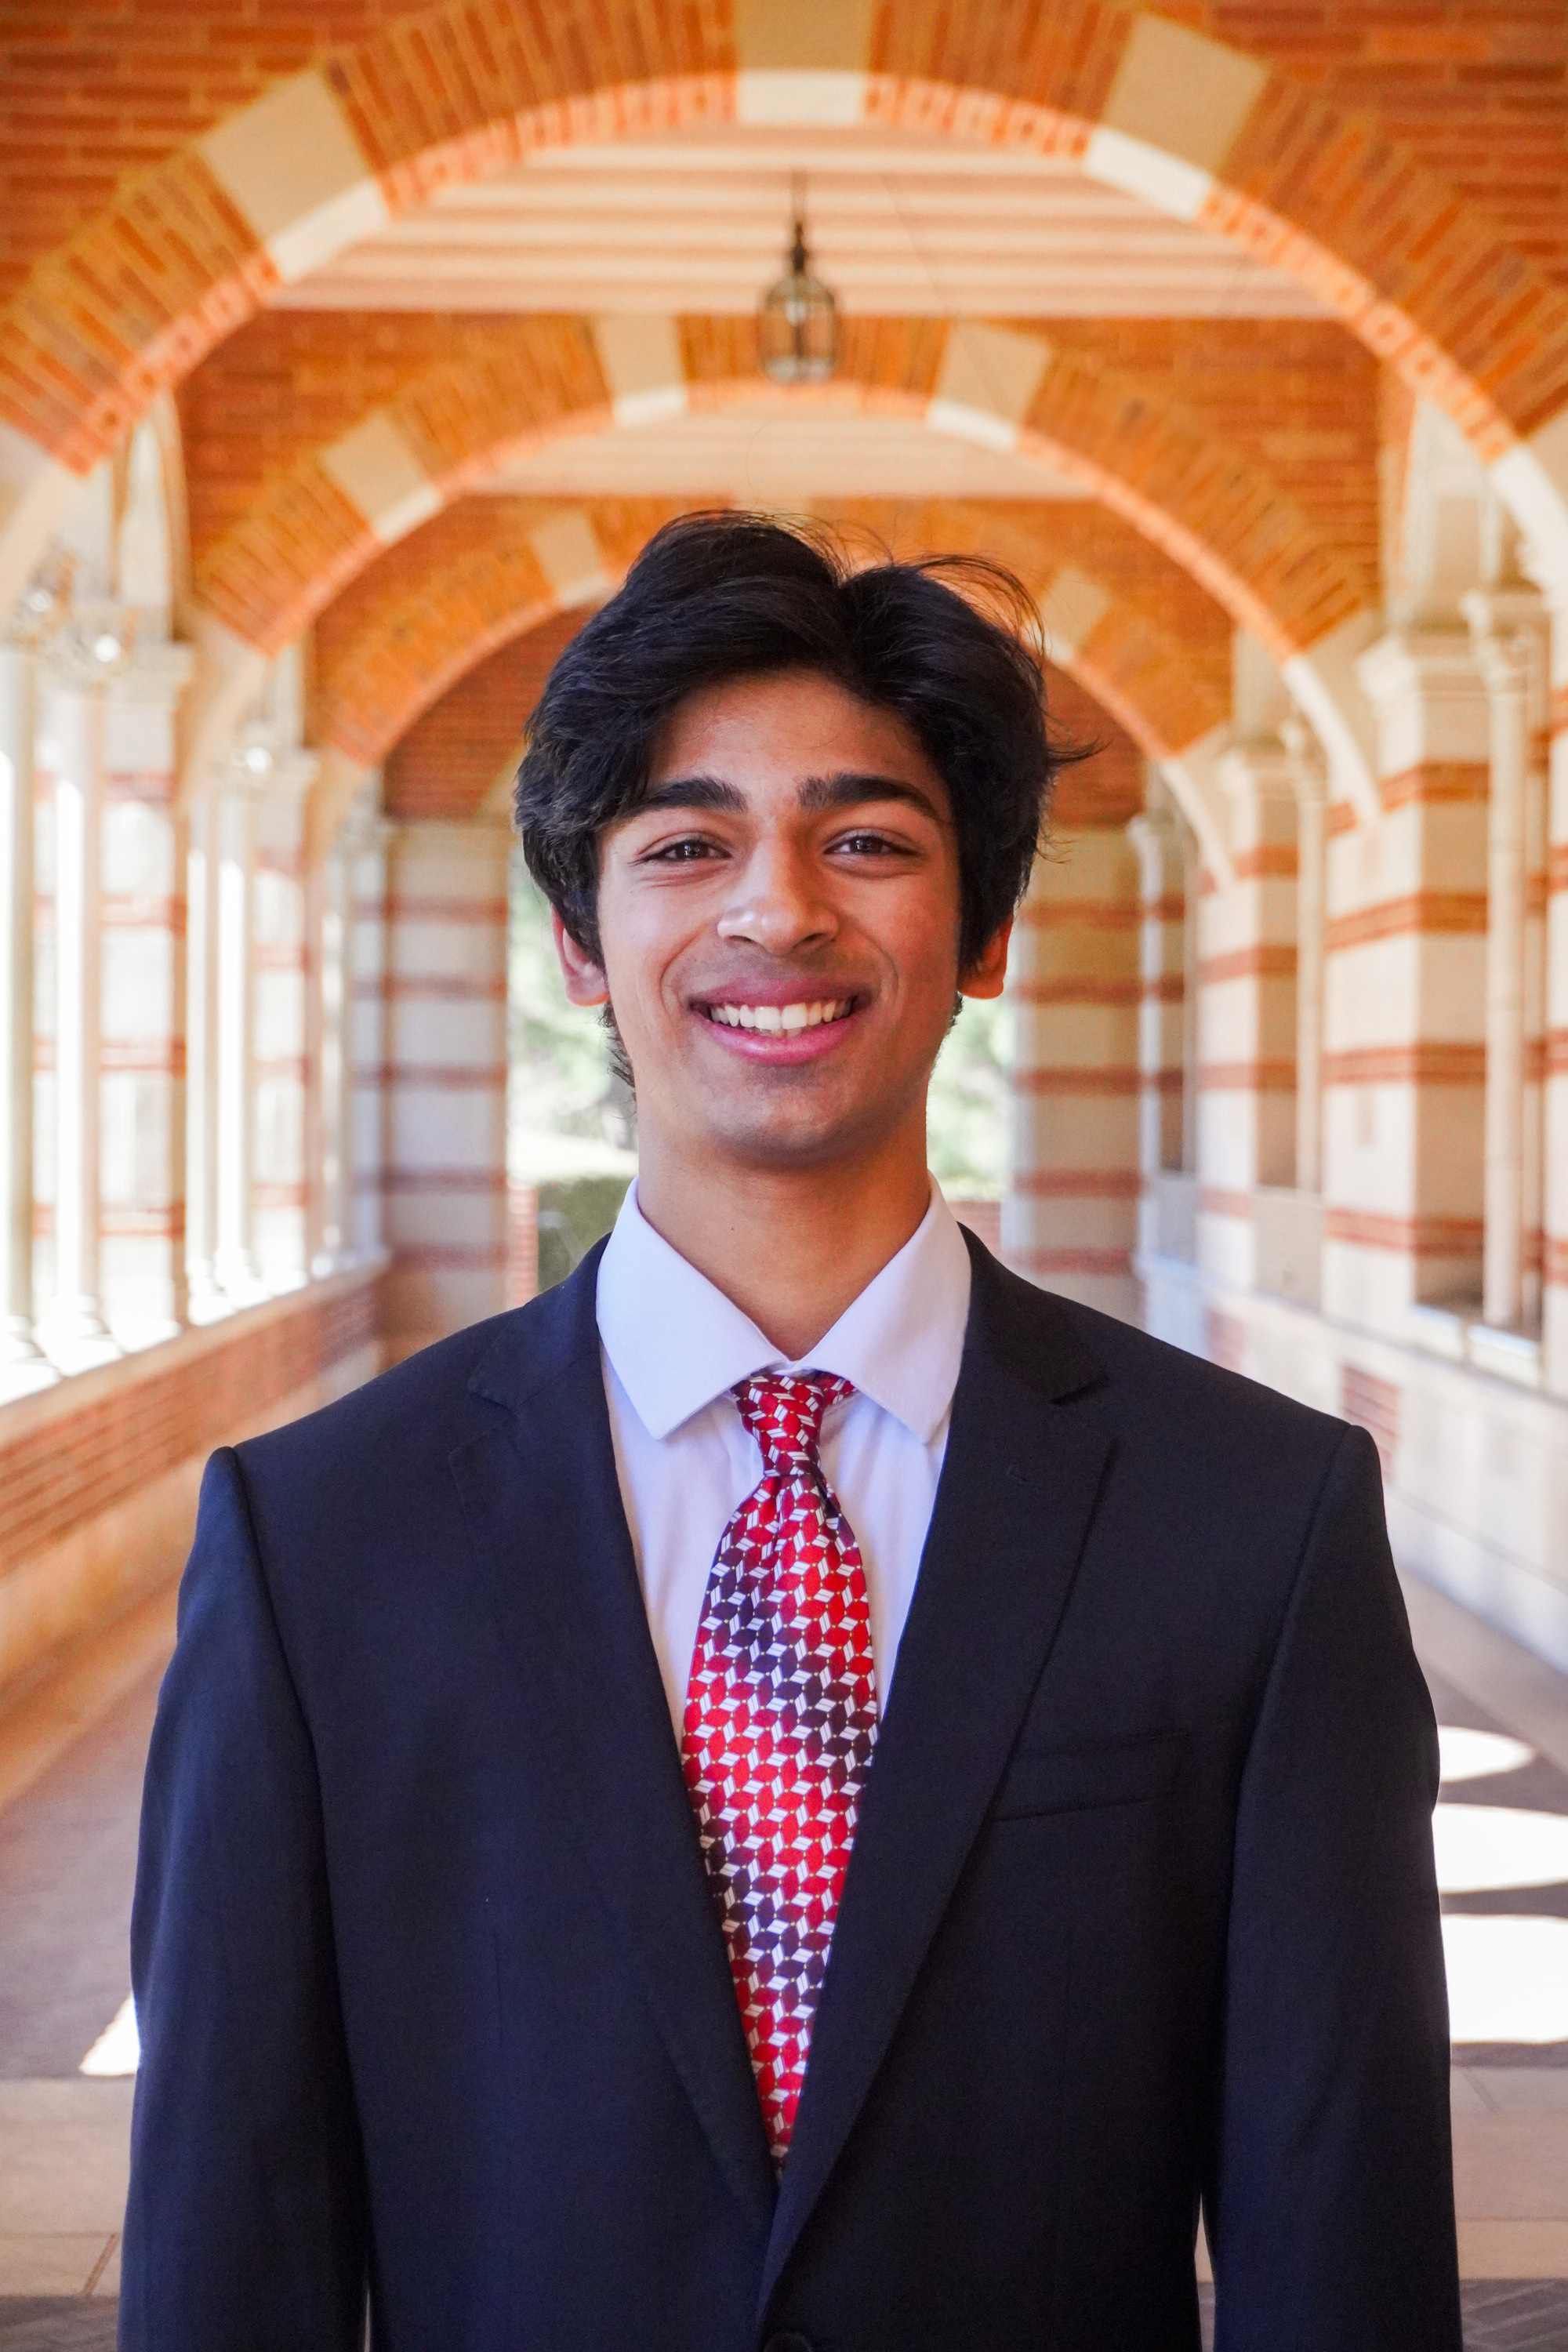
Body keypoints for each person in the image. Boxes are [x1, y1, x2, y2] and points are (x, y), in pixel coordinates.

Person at [122, 515, 1461, 2350]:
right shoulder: (316, 1543)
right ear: (584, 939)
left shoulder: (1256, 1520)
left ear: (981, 933)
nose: (777, 910)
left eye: (867, 841)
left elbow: (1343, 2228)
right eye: (686, 843)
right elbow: (231, 2234)